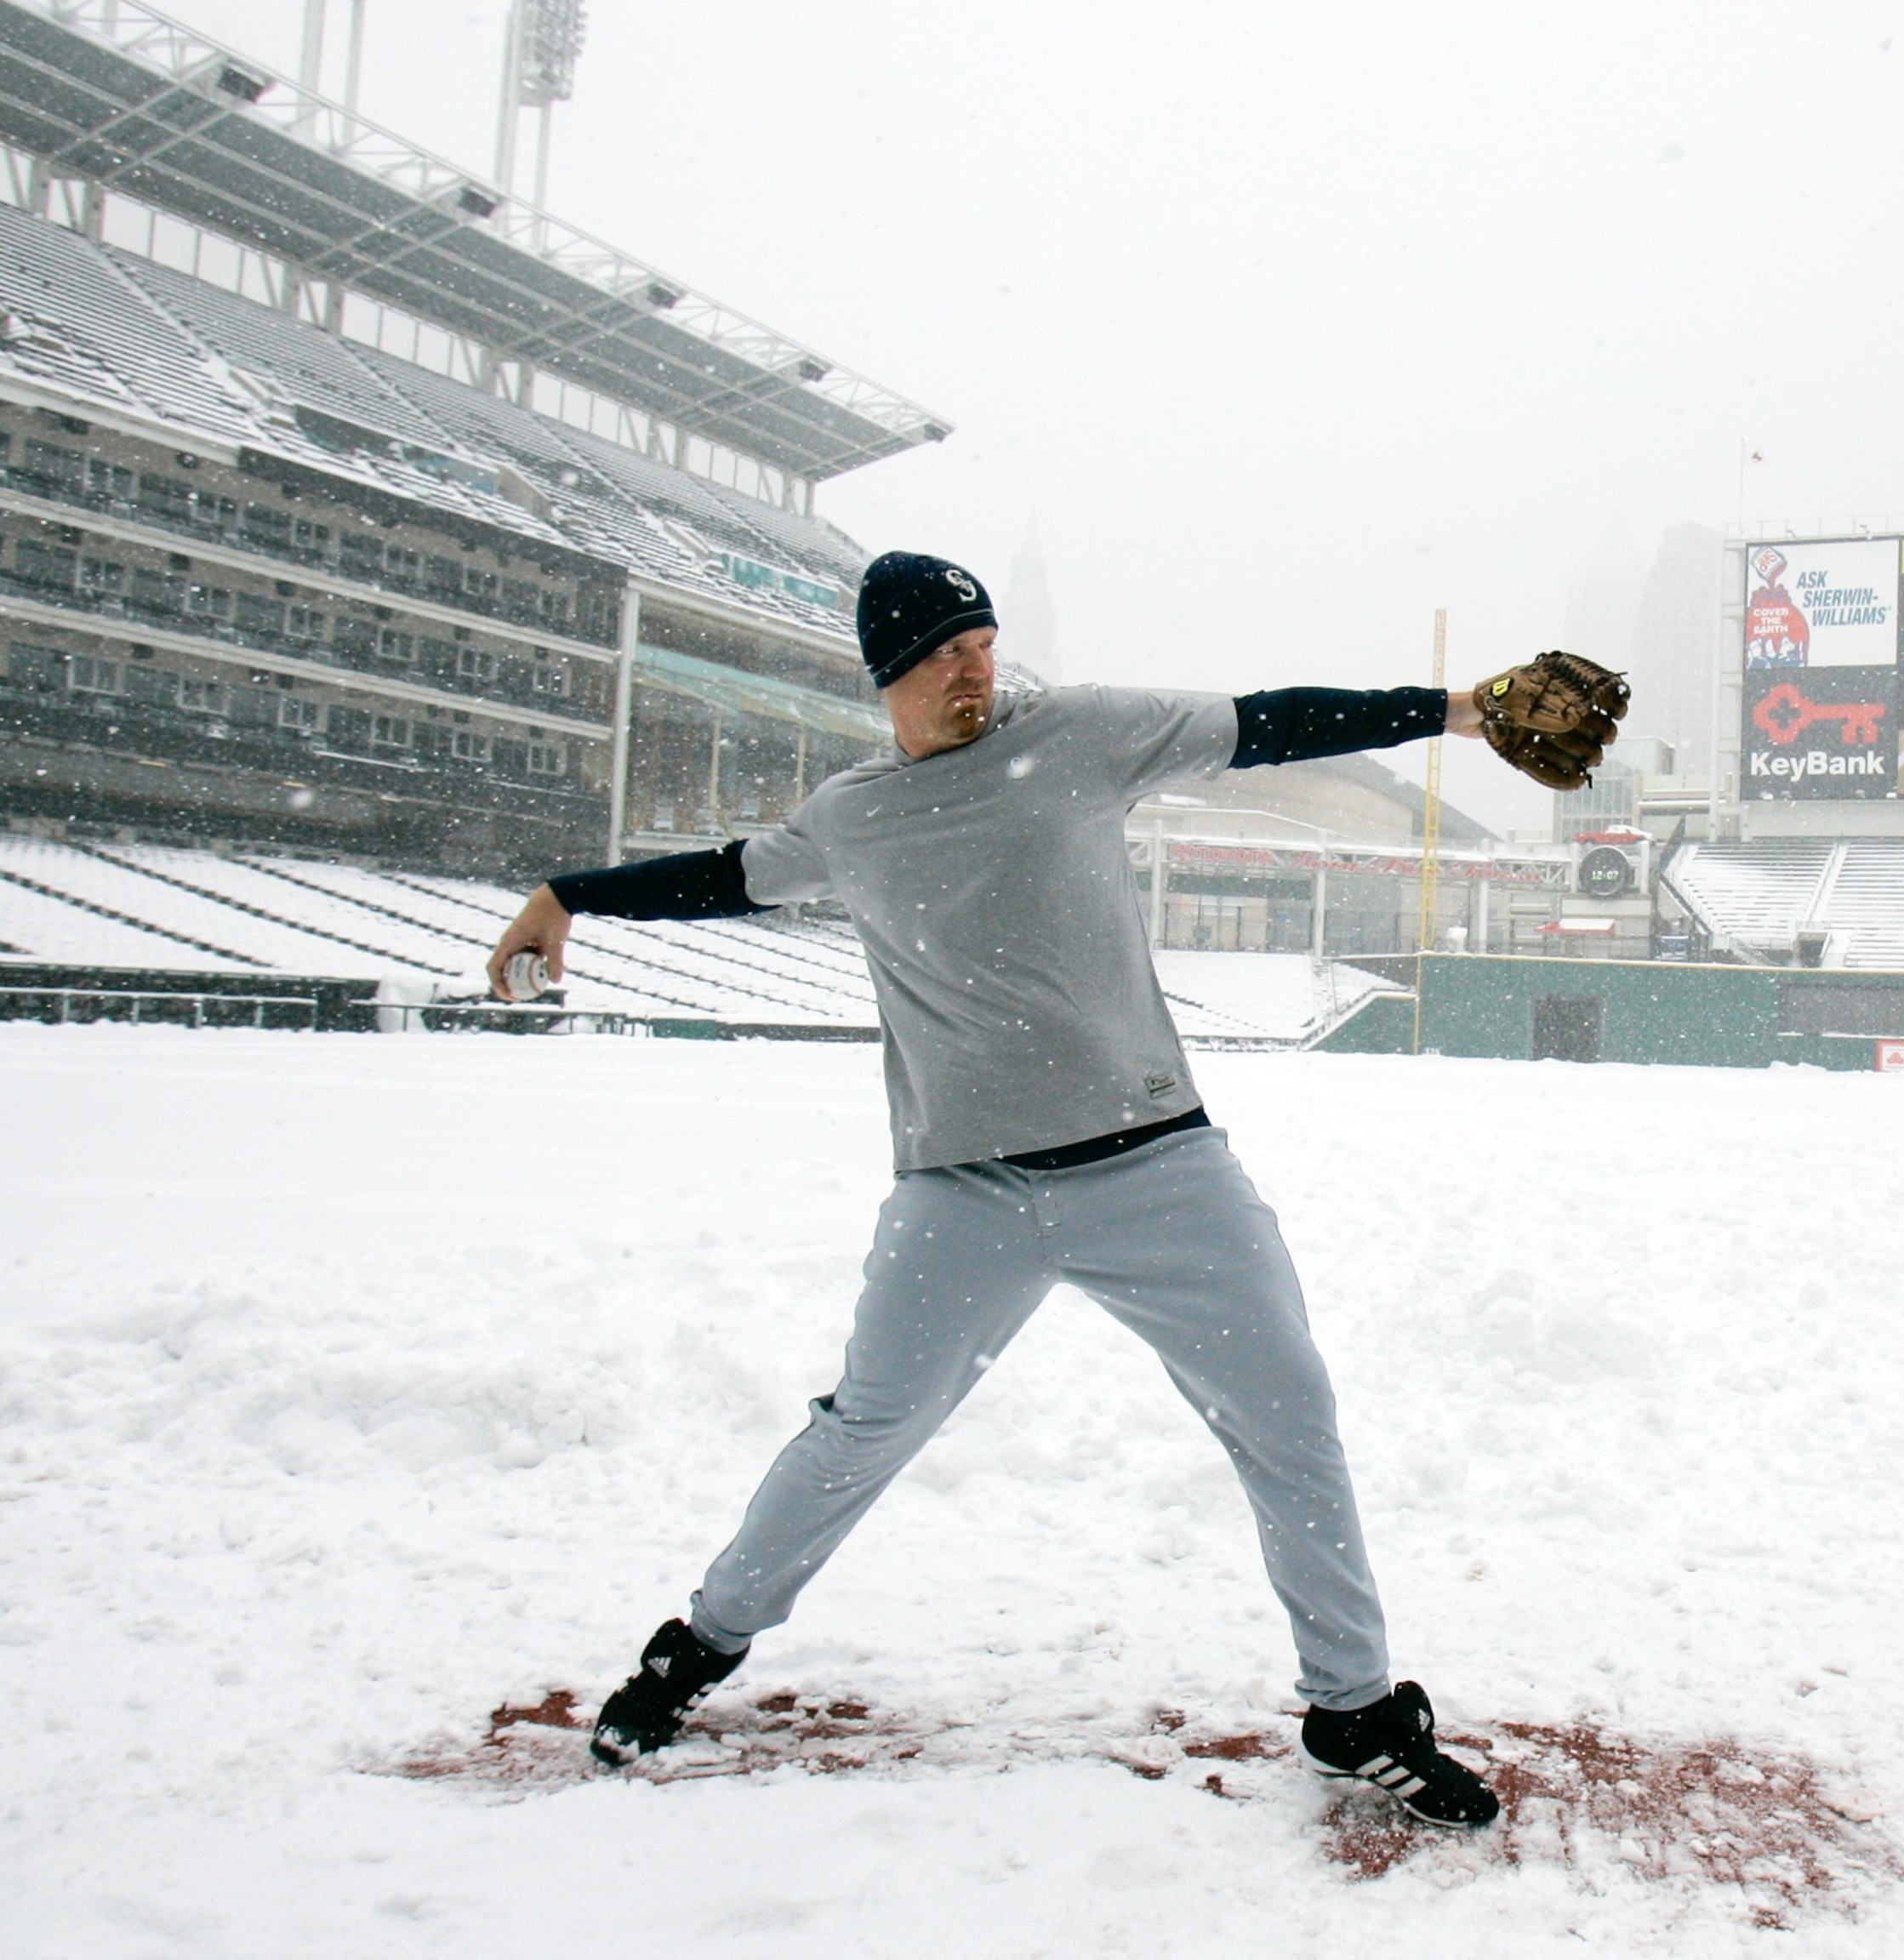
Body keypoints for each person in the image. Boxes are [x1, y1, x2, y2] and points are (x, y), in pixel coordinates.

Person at [487, 553, 1621, 1828]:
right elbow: (720, 875)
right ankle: (699, 1644)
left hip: (1158, 1170)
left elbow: (1273, 721)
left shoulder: (1078, 737)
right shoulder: (852, 819)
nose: (978, 664)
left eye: (984, 640)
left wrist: (1461, 710)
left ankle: (1352, 1707)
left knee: (1288, 1413)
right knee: (864, 1428)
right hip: (961, 1194)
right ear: (891, 671)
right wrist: (566, 897)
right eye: (947, 649)